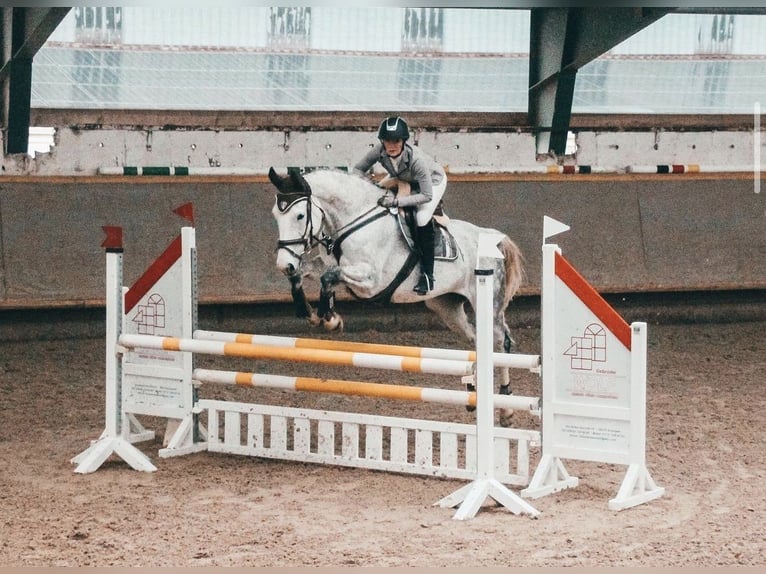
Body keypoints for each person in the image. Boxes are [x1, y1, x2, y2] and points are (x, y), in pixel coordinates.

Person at [353, 116, 447, 295]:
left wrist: (397, 202)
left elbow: (426, 195)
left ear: (403, 141)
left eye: (396, 140)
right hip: (404, 177)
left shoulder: (416, 160)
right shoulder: (379, 151)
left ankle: (428, 276)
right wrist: (367, 184)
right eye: (387, 140)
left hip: (432, 183)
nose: (391, 145)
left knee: (421, 217)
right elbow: (357, 170)